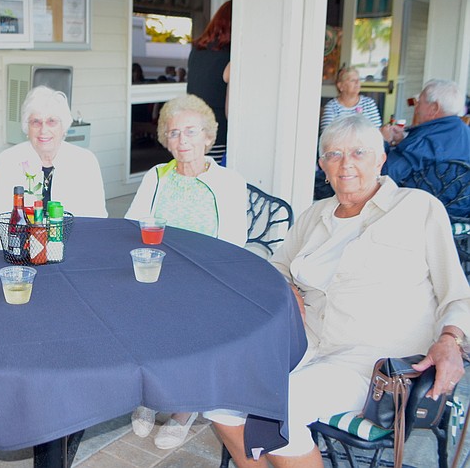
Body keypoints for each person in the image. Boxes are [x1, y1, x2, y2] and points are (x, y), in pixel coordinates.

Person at [209, 115, 470, 467]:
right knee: (217, 393)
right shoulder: (314, 215)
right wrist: (287, 288)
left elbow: (457, 293)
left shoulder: (418, 208)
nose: (346, 164)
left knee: (278, 411)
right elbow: (278, 269)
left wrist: (451, 339)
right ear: (323, 165)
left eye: (359, 153)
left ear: (381, 159)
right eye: (334, 154)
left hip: (374, 363)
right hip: (305, 343)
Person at [125, 94, 247, 450]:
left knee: (192, 322)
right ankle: (150, 395)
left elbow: (233, 243)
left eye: (191, 132)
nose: (183, 141)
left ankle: (184, 409)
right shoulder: (157, 175)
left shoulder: (229, 182)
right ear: (166, 138)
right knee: (136, 313)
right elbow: (132, 223)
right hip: (158, 270)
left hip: (205, 275)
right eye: (174, 133)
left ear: (208, 136)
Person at [0, 86, 107, 248]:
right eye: (36, 122)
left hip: (75, 248)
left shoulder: (85, 162)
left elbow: (97, 220)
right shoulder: (9, 160)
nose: (43, 130)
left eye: (52, 121)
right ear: (27, 128)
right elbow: (0, 216)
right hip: (22, 251)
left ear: (63, 127)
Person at [380, 80, 470, 215]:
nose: (416, 108)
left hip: (419, 213)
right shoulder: (465, 132)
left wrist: (383, 141)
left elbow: (385, 175)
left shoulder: (422, 140)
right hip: (461, 213)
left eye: (419, 102)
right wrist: (404, 140)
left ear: (434, 108)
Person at [187, 0, 232, 164]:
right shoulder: (231, 57)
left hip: (192, 130)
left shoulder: (197, 50)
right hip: (217, 135)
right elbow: (231, 111)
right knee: (214, 177)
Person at [319, 67, 382, 133]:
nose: (357, 83)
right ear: (341, 86)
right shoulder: (332, 107)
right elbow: (327, 134)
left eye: (358, 80)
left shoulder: (369, 103)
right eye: (353, 80)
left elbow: (376, 131)